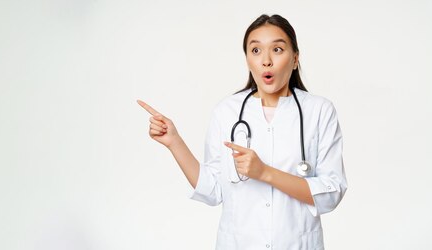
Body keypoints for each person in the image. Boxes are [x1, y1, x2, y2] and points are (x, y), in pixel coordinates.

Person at [137, 14, 347, 249]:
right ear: (247, 59)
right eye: (256, 51)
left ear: (295, 58)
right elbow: (213, 189)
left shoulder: (319, 111)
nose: (266, 61)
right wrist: (174, 142)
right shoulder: (227, 111)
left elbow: (331, 193)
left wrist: (264, 172)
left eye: (277, 49)